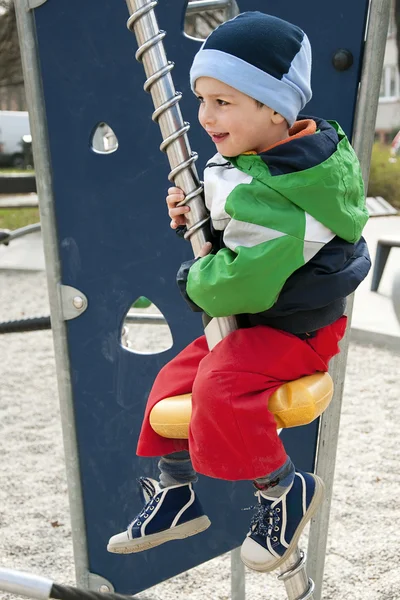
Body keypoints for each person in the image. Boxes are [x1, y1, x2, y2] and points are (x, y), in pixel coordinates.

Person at [107, 11, 370, 572]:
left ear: (274, 107)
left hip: (298, 331)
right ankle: (176, 491)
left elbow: (244, 277)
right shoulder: (261, 155)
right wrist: (195, 212)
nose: (205, 117)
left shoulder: (301, 189)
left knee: (220, 384)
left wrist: (193, 280)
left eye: (223, 102)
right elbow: (237, 211)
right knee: (168, 383)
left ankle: (281, 490)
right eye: (202, 100)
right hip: (258, 322)